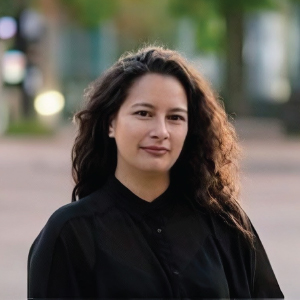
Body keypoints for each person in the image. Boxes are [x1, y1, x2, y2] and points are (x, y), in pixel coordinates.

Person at [27, 46, 284, 299]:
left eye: (175, 117)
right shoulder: (71, 233)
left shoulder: (225, 222)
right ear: (110, 123)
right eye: (143, 113)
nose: (161, 131)